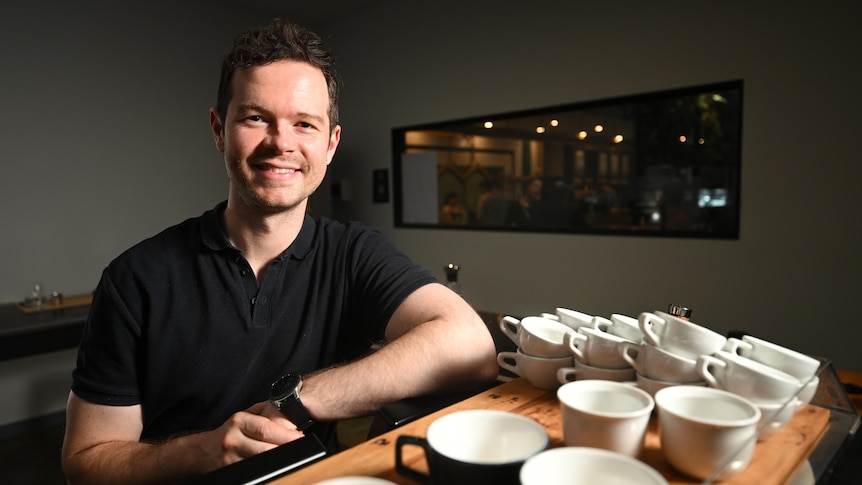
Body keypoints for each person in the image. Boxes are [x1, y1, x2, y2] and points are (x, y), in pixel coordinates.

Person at [61, 18, 498, 484]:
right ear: (218, 129)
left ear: (330, 145)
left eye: (304, 124)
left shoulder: (353, 253)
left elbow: (469, 345)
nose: (281, 143)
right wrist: (203, 451)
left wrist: (297, 399)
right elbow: (86, 462)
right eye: (255, 118)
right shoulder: (136, 278)